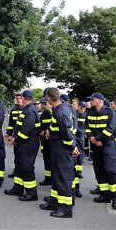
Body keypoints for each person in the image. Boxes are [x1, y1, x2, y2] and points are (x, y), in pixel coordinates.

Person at [39, 87, 80, 218]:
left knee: (63, 179)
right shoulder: (62, 109)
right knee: (57, 178)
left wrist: (72, 147)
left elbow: (67, 134)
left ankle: (65, 209)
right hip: (57, 151)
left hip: (62, 151)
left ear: (48, 98)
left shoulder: (60, 113)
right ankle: (56, 201)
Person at [85, 92, 116, 210]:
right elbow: (86, 127)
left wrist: (97, 138)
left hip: (107, 145)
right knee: (99, 170)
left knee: (110, 171)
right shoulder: (89, 112)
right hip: (95, 145)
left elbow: (110, 129)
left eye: (93, 99)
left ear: (100, 100)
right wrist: (92, 138)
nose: (90, 101)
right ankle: (104, 195)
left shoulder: (110, 112)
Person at [4, 90, 40, 202]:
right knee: (19, 166)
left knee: (27, 168)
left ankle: (31, 193)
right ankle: (18, 188)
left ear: (24, 98)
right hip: (22, 144)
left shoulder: (30, 110)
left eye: (21, 98)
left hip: (28, 145)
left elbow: (26, 130)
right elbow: (18, 126)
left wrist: (16, 139)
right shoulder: (27, 109)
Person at [6, 93, 23, 178]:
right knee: (16, 154)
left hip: (23, 136)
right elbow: (10, 124)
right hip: (15, 136)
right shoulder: (13, 110)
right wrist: (9, 134)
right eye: (17, 98)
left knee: (23, 155)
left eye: (20, 98)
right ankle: (16, 171)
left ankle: (23, 170)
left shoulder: (25, 110)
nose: (18, 100)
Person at [39, 98, 53, 186]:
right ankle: (48, 178)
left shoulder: (55, 113)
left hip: (54, 142)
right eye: (43, 104)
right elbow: (40, 126)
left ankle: (54, 179)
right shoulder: (43, 114)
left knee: (54, 161)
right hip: (45, 141)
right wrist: (41, 131)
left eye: (46, 103)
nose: (44, 105)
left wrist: (48, 130)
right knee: (46, 160)